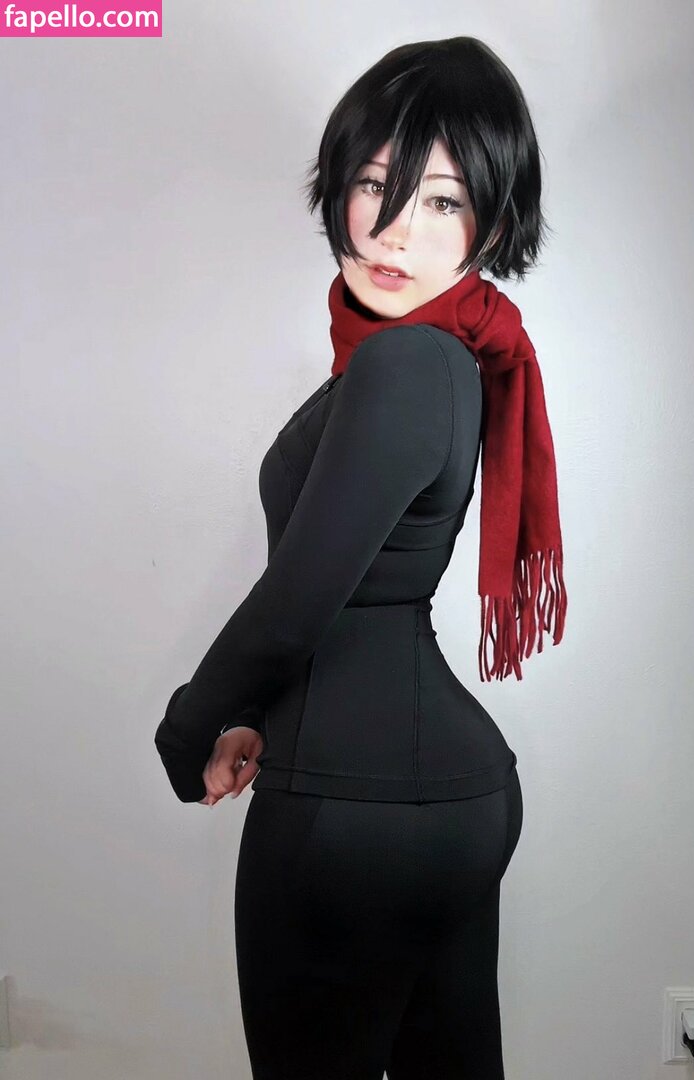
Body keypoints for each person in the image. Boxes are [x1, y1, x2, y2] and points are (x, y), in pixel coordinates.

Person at [155, 34, 568, 1080]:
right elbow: (351, 590)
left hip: (356, 808)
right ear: (338, 184)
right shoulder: (434, 357)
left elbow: (302, 598)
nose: (394, 229)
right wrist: (261, 716)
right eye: (377, 184)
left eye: (441, 200)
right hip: (438, 794)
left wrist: (191, 723)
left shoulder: (407, 363)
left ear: (493, 220)